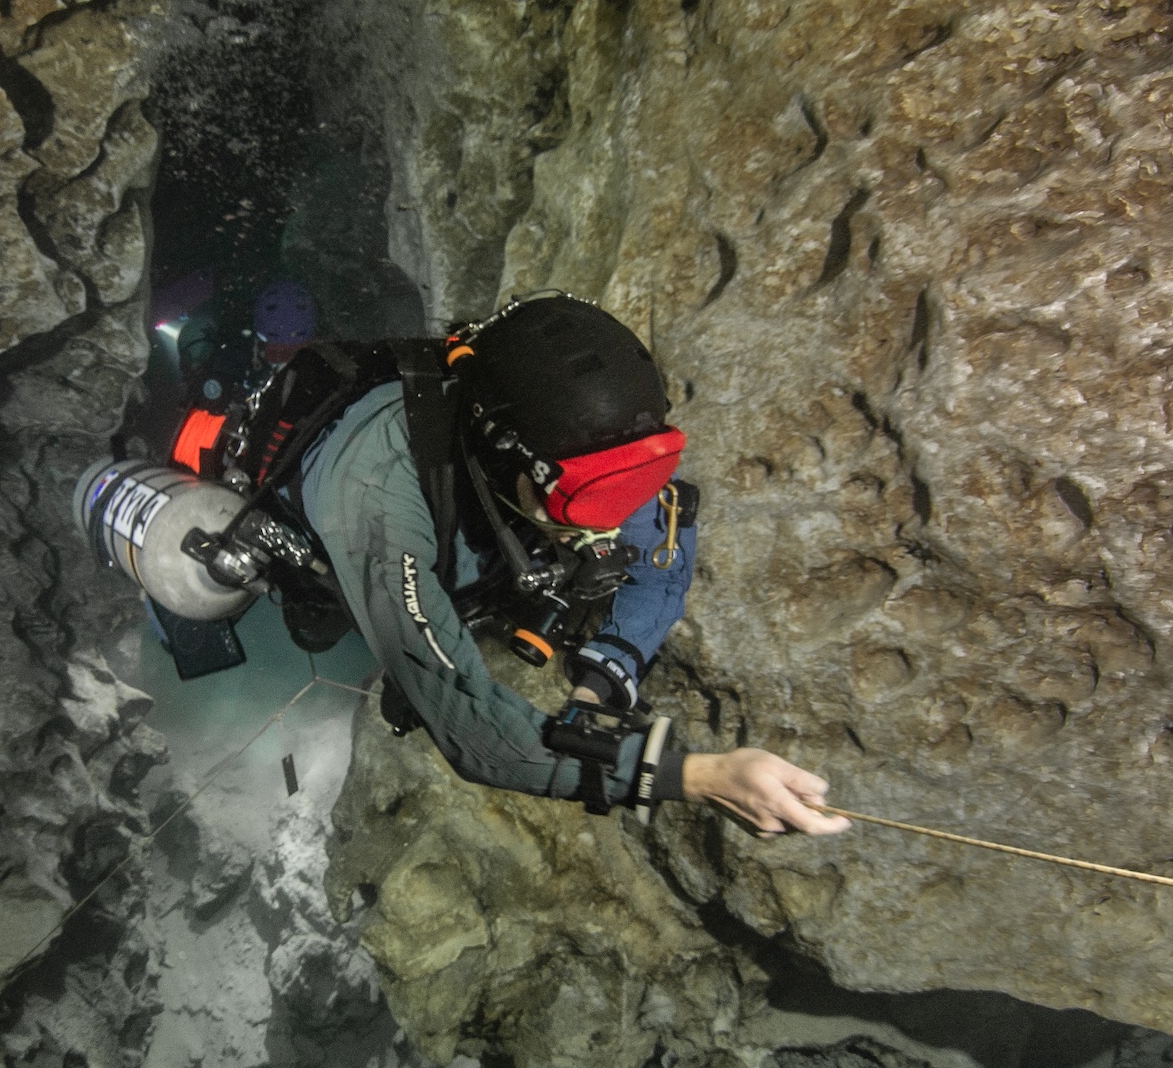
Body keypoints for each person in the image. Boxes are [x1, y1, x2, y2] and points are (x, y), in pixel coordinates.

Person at [279, 295, 848, 837]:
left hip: (478, 532)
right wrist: (697, 777)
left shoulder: (599, 439)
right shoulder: (374, 493)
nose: (609, 529)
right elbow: (481, 741)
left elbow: (662, 557)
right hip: (350, 550)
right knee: (320, 629)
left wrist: (600, 681)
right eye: (586, 503)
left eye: (639, 480)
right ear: (508, 454)